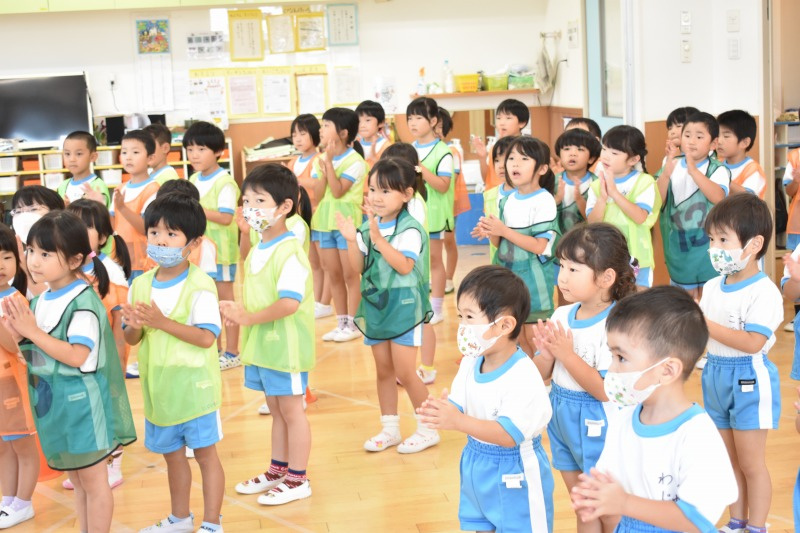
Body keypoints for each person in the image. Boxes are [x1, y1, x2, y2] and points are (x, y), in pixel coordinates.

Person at [5, 211, 136, 533]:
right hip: (57, 407)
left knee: (93, 481)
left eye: (46, 254)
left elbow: (78, 357)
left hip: (84, 408)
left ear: (76, 259)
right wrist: (20, 337)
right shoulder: (41, 300)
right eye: (31, 251)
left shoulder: (83, 301)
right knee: (77, 481)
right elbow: (38, 359)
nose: (34, 261)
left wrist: (31, 333)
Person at [571, 286, 737, 532]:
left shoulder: (697, 435)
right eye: (611, 355)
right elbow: (603, 499)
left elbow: (697, 520)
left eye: (621, 358)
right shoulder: (623, 419)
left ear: (667, 370)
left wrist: (624, 503)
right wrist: (593, 503)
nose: (611, 369)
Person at [417, 265, 553, 533]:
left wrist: (457, 421)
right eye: (460, 316)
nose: (462, 326)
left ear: (504, 325)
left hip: (515, 471)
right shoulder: (471, 362)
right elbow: (459, 404)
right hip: (475, 463)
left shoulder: (522, 374)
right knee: (480, 525)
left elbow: (508, 435)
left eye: (470, 317)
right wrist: (442, 410)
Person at [122, 194, 225, 533]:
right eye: (154, 232)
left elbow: (207, 338)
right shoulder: (140, 284)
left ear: (193, 243)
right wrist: (134, 326)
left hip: (195, 391)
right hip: (160, 390)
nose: (161, 241)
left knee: (206, 456)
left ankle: (212, 523)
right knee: (173, 457)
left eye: (171, 234)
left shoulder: (201, 285)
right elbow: (132, 339)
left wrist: (162, 322)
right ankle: (180, 518)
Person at [533, 223, 637, 533]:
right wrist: (547, 355)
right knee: (583, 505)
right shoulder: (561, 315)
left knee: (607, 509)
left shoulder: (617, 323)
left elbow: (605, 391)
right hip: (560, 417)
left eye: (573, 269)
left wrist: (566, 354)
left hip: (598, 421)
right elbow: (541, 375)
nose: (562, 277)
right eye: (561, 266)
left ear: (606, 278)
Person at [223, 164, 315, 505]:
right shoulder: (259, 245)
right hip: (263, 345)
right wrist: (240, 312)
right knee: (276, 410)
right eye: (246, 201)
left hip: (286, 347)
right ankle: (279, 470)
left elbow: (289, 303)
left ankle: (298, 479)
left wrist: (247, 318)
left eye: (259, 201)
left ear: (285, 206)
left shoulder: (289, 250)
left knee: (292, 411)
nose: (250, 208)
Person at [337, 158, 439, 453]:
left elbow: (405, 266)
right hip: (378, 306)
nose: (376, 197)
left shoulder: (410, 229)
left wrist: (378, 239)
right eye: (372, 190)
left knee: (405, 372)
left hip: (405, 308)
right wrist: (352, 241)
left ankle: (428, 428)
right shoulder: (368, 226)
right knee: (384, 371)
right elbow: (358, 267)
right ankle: (390, 429)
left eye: (385, 191)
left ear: (406, 194)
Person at [700, 194, 782, 533]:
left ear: (754, 244)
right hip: (714, 375)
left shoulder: (764, 291)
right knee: (728, 460)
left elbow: (752, 343)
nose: (715, 248)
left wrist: (703, 324)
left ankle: (757, 526)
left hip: (749, 379)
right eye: (712, 240)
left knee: (751, 463)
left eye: (723, 240)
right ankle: (737, 521)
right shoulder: (711, 287)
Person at [64, 199, 131, 491]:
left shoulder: (110, 272)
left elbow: (118, 326)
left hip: (106, 358)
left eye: (86, 226)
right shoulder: (64, 269)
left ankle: (113, 464)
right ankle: (90, 462)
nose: (77, 231)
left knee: (110, 410)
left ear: (102, 237)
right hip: (77, 359)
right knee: (86, 412)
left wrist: (118, 363)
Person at [473, 136, 558, 358]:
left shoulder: (544, 200)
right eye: (511, 158)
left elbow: (540, 246)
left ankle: (542, 378)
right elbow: (499, 243)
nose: (514, 164)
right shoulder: (506, 200)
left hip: (534, 283)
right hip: (508, 280)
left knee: (536, 340)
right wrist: (490, 231)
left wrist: (503, 230)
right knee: (516, 338)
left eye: (524, 159)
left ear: (542, 169)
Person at [185, 121, 241, 370]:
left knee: (225, 302)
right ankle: (214, 349)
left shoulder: (224, 181)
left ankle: (233, 352)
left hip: (222, 253)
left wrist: (195, 208)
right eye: (190, 149)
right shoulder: (193, 179)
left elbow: (226, 217)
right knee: (207, 302)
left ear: (218, 151)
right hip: (200, 254)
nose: (194, 155)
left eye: (201, 149)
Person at [657, 112, 731, 299]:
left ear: (713, 144)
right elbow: (658, 201)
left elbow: (719, 197)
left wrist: (693, 170)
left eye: (699, 137)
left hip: (708, 247)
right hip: (680, 247)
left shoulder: (718, 169)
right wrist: (665, 174)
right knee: (684, 303)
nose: (691, 141)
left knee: (710, 299)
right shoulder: (671, 164)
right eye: (687, 135)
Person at [381, 143, 438, 384]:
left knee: (422, 320)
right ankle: (406, 369)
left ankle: (427, 367)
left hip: (413, 274)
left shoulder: (414, 203)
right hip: (397, 275)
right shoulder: (399, 202)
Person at [310, 107, 368, 343]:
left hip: (347, 224)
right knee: (333, 274)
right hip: (324, 223)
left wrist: (330, 164)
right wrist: (325, 165)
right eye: (322, 125)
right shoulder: (320, 160)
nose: (321, 130)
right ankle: (341, 322)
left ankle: (354, 324)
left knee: (350, 275)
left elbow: (337, 191)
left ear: (343, 133)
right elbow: (318, 194)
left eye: (327, 125)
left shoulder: (356, 161)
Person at [587, 125, 660, 288]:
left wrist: (614, 193)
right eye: (604, 149)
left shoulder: (644, 182)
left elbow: (640, 217)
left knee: (638, 300)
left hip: (637, 258)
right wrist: (602, 199)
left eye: (614, 153)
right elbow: (592, 224)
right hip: (605, 257)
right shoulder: (596, 185)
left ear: (633, 159)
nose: (606, 156)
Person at [0, 224, 38, 529]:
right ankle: (8, 500)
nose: (1, 265)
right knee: (4, 447)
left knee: (23, 445)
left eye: (6, 257)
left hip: (13, 383)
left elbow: (16, 345)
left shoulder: (16, 300)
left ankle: (24, 502)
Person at [407, 97, 453, 325]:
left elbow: (443, 186)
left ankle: (437, 308)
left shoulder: (443, 151)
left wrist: (420, 168)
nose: (413, 123)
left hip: (434, 215)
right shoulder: (409, 148)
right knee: (414, 261)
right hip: (412, 214)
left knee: (434, 260)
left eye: (418, 118)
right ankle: (419, 304)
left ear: (433, 121)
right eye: (410, 118)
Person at [287, 114, 331, 320]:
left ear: (314, 134)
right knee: (312, 263)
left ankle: (325, 302)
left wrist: (294, 179)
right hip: (301, 218)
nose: (297, 138)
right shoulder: (292, 162)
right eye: (294, 134)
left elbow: (316, 184)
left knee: (325, 263)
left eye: (302, 134)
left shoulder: (319, 159)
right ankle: (316, 301)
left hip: (318, 216)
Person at [111, 130, 160, 282]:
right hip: (121, 259)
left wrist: (122, 208)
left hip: (143, 262)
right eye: (124, 152)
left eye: (135, 152)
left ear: (150, 158)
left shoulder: (153, 189)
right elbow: (112, 225)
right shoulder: (120, 188)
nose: (128, 157)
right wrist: (97, 204)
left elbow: (146, 228)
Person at [9, 186, 65, 297]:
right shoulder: (15, 258)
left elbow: (58, 300)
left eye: (33, 209)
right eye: (18, 211)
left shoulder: (67, 257)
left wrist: (24, 268)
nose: (24, 216)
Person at [436, 107, 468, 295]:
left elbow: (449, 182)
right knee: (432, 245)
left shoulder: (451, 151)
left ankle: (448, 278)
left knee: (448, 241)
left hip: (448, 205)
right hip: (430, 206)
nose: (436, 130)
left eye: (440, 126)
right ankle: (435, 277)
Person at [471, 99, 529, 189]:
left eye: (508, 118)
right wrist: (482, 158)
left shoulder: (525, 148)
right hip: (493, 195)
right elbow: (487, 179)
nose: (501, 123)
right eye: (498, 118)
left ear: (522, 123)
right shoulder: (495, 147)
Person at [477, 135, 517, 262]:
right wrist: (486, 229)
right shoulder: (490, 195)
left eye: (507, 159)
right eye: (496, 160)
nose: (500, 166)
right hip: (498, 261)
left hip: (522, 262)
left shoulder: (527, 193)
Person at [553, 128, 601, 234]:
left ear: (591, 158)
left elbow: (596, 221)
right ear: (559, 155)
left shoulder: (597, 184)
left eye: (580, 149)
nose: (572, 154)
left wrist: (579, 199)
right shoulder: (552, 181)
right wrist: (557, 200)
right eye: (567, 149)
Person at [717, 109, 766, 199]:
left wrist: (723, 178)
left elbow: (748, 198)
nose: (719, 141)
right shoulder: (716, 163)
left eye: (726, 136)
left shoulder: (752, 169)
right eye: (717, 135)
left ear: (745, 142)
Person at [56, 131, 110, 208]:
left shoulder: (98, 186)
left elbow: (99, 213)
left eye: (79, 154)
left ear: (93, 157)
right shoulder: (62, 186)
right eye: (67, 154)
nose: (72, 159)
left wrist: (69, 209)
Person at [653, 106, 700, 178]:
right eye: (670, 128)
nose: (672, 132)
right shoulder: (668, 158)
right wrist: (672, 159)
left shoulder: (702, 156)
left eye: (678, 126)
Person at [356, 99, 392, 169]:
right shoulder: (354, 144)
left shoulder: (387, 147)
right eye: (358, 121)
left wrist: (374, 158)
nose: (362, 125)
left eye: (367, 120)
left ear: (381, 123)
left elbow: (389, 172)